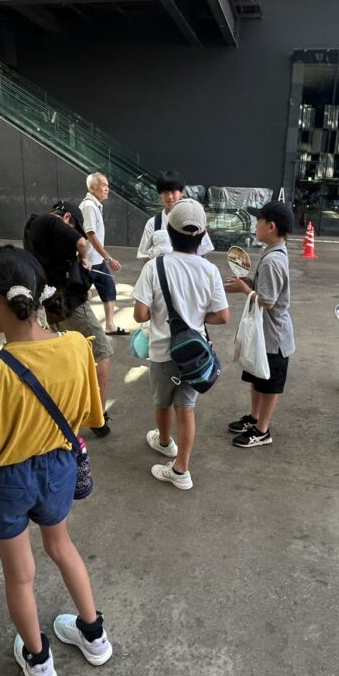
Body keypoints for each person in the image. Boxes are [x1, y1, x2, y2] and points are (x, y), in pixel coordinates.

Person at [0, 247, 111, 676]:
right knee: (62, 546)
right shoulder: (75, 346)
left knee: (20, 574)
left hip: (6, 478)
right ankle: (94, 636)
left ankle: (38, 662)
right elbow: (89, 413)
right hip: (58, 467)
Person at [131, 200, 229, 490]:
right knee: (186, 409)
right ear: (203, 235)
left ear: (168, 232)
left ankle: (164, 442)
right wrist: (197, 317)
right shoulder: (209, 270)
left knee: (162, 403)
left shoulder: (154, 266)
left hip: (162, 352)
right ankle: (181, 470)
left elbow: (140, 314)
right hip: (194, 355)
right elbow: (223, 316)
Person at [24, 202, 113, 438]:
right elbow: (82, 243)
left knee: (66, 354)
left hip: (50, 302)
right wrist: (83, 258)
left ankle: (61, 409)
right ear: (66, 217)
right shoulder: (53, 221)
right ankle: (99, 416)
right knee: (102, 350)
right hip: (70, 303)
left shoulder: (33, 227)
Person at [224, 201, 295, 448]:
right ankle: (254, 418)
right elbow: (264, 289)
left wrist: (245, 288)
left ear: (271, 226)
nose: (256, 225)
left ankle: (262, 430)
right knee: (256, 376)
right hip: (262, 334)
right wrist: (249, 282)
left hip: (273, 338)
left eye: (259, 221)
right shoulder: (271, 250)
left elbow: (267, 301)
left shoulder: (273, 260)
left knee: (269, 383)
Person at [79, 172, 127, 336]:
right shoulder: (88, 206)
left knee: (108, 288)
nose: (107, 189)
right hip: (88, 261)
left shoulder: (96, 205)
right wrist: (108, 257)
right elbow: (90, 234)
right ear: (92, 188)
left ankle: (110, 325)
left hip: (96, 259)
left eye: (107, 186)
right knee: (77, 294)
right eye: (103, 186)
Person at [136, 170, 213, 260]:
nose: (169, 197)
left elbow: (203, 253)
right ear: (159, 194)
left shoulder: (194, 220)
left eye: (173, 192)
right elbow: (144, 255)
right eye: (165, 192)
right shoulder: (153, 223)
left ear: (182, 192)